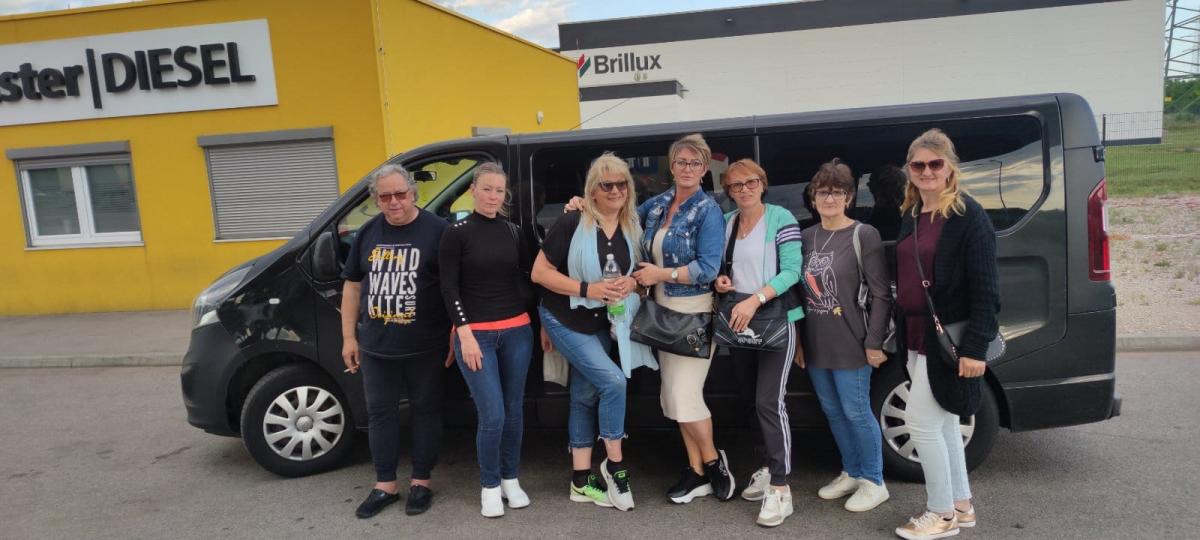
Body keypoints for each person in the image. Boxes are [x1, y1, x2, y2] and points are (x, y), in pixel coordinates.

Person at [564, 134, 734, 504]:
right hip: (659, 314)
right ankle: (696, 472)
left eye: (695, 163)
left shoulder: (708, 211)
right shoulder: (657, 206)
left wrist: (662, 274)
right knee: (672, 397)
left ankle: (713, 461)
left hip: (693, 313)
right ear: (671, 166)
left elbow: (708, 268)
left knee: (684, 394)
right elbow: (616, 217)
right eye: (681, 162)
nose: (687, 168)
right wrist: (583, 203)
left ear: (705, 169)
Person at [531, 153, 657, 512]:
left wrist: (633, 284)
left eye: (621, 184)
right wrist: (590, 289)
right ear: (593, 190)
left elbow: (641, 277)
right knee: (613, 382)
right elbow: (540, 273)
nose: (615, 190)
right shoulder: (573, 221)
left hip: (606, 323)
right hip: (565, 317)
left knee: (584, 396)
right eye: (607, 184)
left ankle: (580, 481)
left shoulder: (633, 226)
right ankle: (615, 466)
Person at [892, 129, 998, 540]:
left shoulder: (968, 216)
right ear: (909, 170)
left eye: (935, 163)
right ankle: (961, 504)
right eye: (918, 164)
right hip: (916, 333)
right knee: (947, 423)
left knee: (920, 422)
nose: (927, 171)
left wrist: (975, 348)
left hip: (949, 339)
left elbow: (987, 290)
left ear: (950, 167)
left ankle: (941, 514)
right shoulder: (912, 214)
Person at [341, 164, 451, 518]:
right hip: (376, 346)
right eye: (385, 196)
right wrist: (348, 337)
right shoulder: (367, 233)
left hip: (426, 345)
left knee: (426, 412)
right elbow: (352, 286)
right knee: (379, 414)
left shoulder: (438, 230)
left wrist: (456, 331)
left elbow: (453, 288)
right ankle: (385, 485)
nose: (394, 202)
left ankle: (421, 482)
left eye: (400, 194)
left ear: (412, 193)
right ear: (376, 199)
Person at [795, 158, 893, 514]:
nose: (829, 199)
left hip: (853, 340)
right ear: (813, 198)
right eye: (823, 192)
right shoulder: (806, 237)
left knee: (856, 411)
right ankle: (851, 471)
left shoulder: (863, 234)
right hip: (816, 341)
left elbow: (881, 294)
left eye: (837, 192)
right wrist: (799, 341)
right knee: (832, 411)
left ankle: (874, 481)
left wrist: (874, 343)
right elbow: (798, 293)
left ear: (849, 197)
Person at [710, 158, 805, 527]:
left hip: (774, 319)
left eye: (750, 182)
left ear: (762, 184)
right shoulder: (728, 222)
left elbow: (792, 270)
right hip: (740, 320)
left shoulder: (781, 218)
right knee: (750, 400)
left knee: (769, 402)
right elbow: (722, 267)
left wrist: (755, 299)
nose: (744, 189)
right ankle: (765, 467)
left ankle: (781, 487)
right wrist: (720, 281)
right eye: (736, 185)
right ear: (729, 191)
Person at [438, 162, 536, 518]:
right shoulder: (456, 233)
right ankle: (490, 485)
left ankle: (511, 478)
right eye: (487, 189)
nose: (493, 196)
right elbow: (448, 288)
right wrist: (463, 333)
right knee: (492, 413)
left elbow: (529, 276)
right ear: (473, 191)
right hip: (475, 335)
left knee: (513, 410)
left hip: (517, 331)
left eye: (499, 190)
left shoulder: (513, 231)